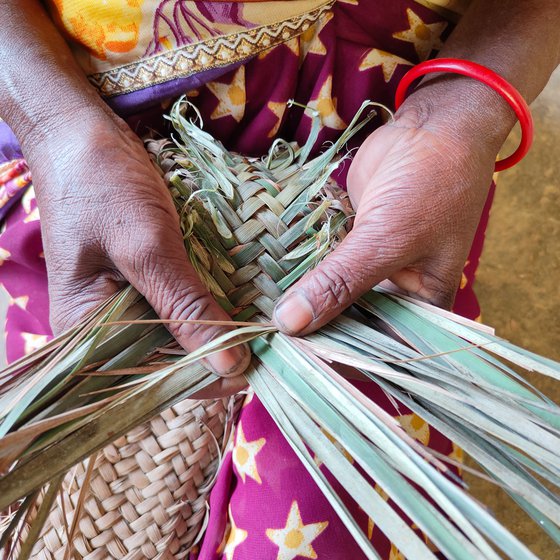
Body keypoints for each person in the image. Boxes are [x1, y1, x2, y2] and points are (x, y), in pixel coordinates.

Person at [0, 0, 558, 558]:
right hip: (81, 146)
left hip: (386, 159)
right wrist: (54, 128)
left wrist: (462, 113)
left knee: (331, 513)